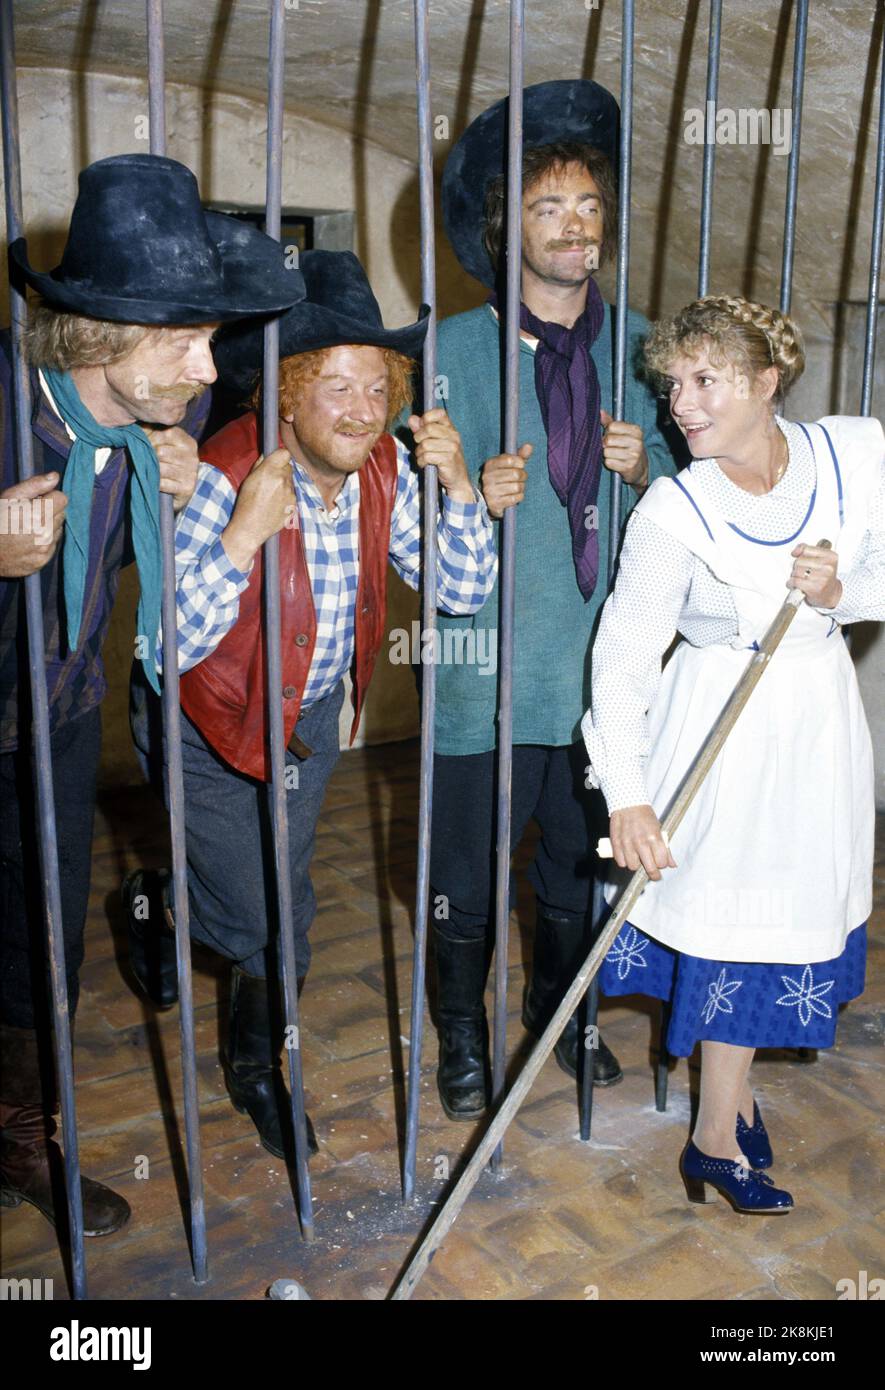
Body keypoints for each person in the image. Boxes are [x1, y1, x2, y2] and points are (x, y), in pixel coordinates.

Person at [124, 249, 497, 1160]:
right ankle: (165, 903)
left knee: (280, 912)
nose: (364, 410)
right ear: (286, 394)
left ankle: (253, 1063)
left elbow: (461, 591)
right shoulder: (217, 471)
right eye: (336, 386)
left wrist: (455, 488)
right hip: (204, 728)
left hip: (307, 723)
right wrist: (244, 535)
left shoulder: (385, 475)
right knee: (260, 916)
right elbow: (166, 648)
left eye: (378, 387)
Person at [0, 153, 302, 1236]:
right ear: (93, 336)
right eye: (181, 337)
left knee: (41, 944)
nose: (205, 365)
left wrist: (181, 498)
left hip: (59, 719)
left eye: (210, 337)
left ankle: (24, 1138)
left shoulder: (161, 416)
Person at [583, 293, 884, 1212]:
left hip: (816, 721)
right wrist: (628, 797)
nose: (680, 403)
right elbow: (624, 656)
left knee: (785, 910)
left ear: (766, 381)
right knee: (728, 924)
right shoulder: (672, 509)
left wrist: (843, 586)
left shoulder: (855, 452)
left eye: (705, 380)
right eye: (674, 383)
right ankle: (715, 1136)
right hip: (717, 730)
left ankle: (730, 1099)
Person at [428, 79, 679, 1120]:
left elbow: (698, 499)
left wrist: (646, 467)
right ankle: (459, 1037)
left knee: (579, 873)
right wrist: (466, 493)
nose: (576, 228)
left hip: (601, 671)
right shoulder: (452, 351)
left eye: (587, 206)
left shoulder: (646, 349)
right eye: (548, 209)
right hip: (485, 669)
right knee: (464, 879)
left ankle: (560, 1015)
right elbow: (409, 528)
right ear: (506, 226)